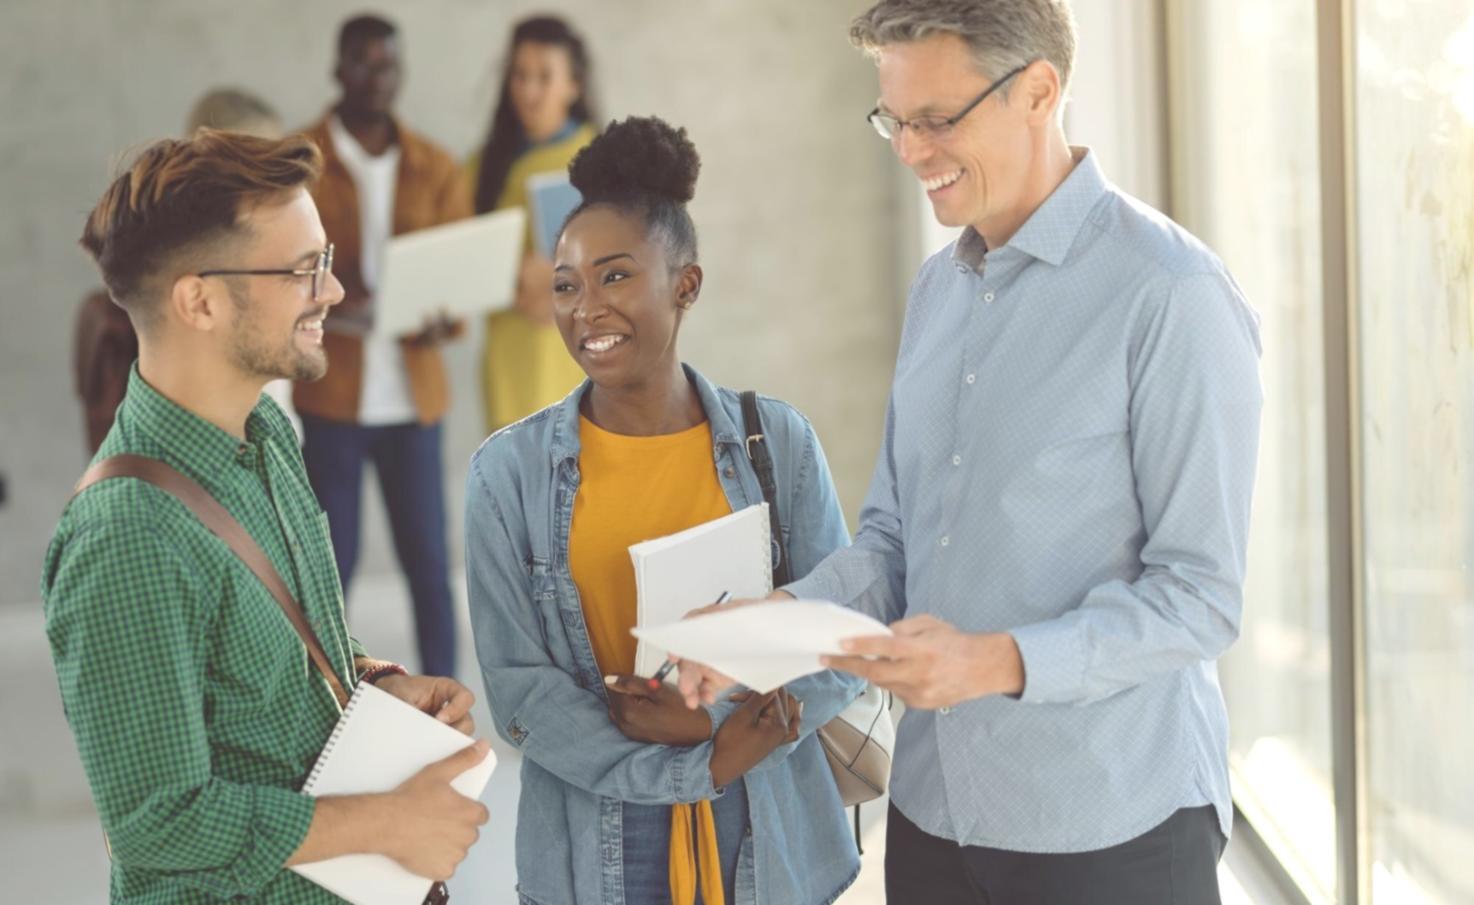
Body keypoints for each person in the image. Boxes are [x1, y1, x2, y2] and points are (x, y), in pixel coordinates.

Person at [677, 2, 1265, 903]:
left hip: (1109, 824)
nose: (911, 151)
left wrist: (993, 662)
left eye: (937, 120)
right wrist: (768, 632)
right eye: (895, 121)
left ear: (1039, 91)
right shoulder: (937, 292)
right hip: (933, 812)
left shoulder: (1172, 295)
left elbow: (1200, 597)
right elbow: (892, 544)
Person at [44, 128, 489, 902]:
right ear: (201, 300)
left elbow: (273, 646)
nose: (334, 290)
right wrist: (387, 822)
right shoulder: (127, 535)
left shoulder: (267, 431)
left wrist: (369, 683)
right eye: (305, 268)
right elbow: (159, 821)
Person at [465, 116, 863, 905]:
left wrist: (713, 723)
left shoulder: (777, 442)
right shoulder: (506, 475)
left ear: (686, 285)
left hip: (767, 827)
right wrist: (695, 764)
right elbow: (520, 695)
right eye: (566, 285)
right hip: (593, 844)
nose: (586, 309)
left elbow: (842, 640)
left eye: (614, 276)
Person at [295, 14, 470, 678]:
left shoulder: (435, 165)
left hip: (412, 400)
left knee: (429, 564)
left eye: (388, 64)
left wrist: (441, 317)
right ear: (338, 69)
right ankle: (329, 701)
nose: (377, 77)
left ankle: (445, 702)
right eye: (364, 63)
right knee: (329, 568)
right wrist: (332, 292)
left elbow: (458, 281)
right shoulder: (300, 159)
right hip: (331, 396)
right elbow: (278, 266)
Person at [74, 87, 286, 455]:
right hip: (217, 438)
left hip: (262, 430)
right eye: (263, 154)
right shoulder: (193, 236)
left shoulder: (253, 225)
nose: (277, 172)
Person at [467, 14, 598, 432]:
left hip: (576, 371)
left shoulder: (604, 162)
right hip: (508, 365)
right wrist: (511, 275)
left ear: (573, 84)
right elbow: (458, 256)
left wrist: (562, 282)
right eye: (520, 75)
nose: (528, 90)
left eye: (544, 76)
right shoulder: (483, 165)